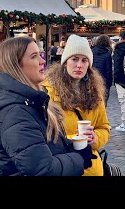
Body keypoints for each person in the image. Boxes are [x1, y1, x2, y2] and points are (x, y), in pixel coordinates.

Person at [0, 37, 95, 176]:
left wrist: (73, 147)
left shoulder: (31, 102)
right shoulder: (15, 114)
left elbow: (43, 146)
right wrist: (79, 158)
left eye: (40, 55)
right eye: (34, 56)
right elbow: (42, 169)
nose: (43, 61)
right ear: (15, 65)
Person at [43, 34, 110, 176]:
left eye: (84, 60)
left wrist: (95, 138)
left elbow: (104, 127)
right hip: (63, 165)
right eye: (74, 59)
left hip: (91, 167)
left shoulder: (95, 93)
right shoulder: (48, 91)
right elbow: (42, 134)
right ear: (65, 61)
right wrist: (73, 139)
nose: (79, 65)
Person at [91, 34, 113, 107]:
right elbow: (108, 70)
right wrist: (109, 82)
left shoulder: (92, 51)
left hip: (92, 78)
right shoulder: (107, 54)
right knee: (103, 101)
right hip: (104, 80)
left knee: (93, 99)